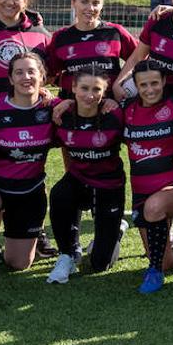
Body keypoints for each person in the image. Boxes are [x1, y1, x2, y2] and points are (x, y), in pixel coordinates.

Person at [0, 52, 57, 285]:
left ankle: (15, 238)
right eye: (19, 72)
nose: (26, 77)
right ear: (10, 79)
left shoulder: (54, 110)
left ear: (42, 77)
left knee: (18, 264)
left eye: (31, 72)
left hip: (29, 189)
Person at [122, 60, 173, 294]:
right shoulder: (126, 110)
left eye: (155, 83)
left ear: (164, 81)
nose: (150, 89)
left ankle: (153, 272)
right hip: (141, 194)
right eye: (143, 85)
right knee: (167, 260)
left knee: (155, 207)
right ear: (136, 86)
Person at [47, 65, 127, 283]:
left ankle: (117, 229)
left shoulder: (115, 114)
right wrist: (63, 101)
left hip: (109, 185)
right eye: (83, 88)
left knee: (100, 264)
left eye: (96, 90)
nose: (90, 95)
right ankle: (67, 253)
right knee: (59, 193)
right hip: (79, 179)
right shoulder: (61, 113)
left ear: (105, 91)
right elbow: (42, 96)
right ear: (73, 87)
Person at [46, 0, 137, 98]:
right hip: (72, 107)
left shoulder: (115, 32)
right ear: (73, 2)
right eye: (84, 2)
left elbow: (139, 57)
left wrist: (120, 82)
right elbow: (50, 74)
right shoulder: (61, 37)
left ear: (102, 4)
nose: (90, 8)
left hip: (108, 106)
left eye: (95, 3)